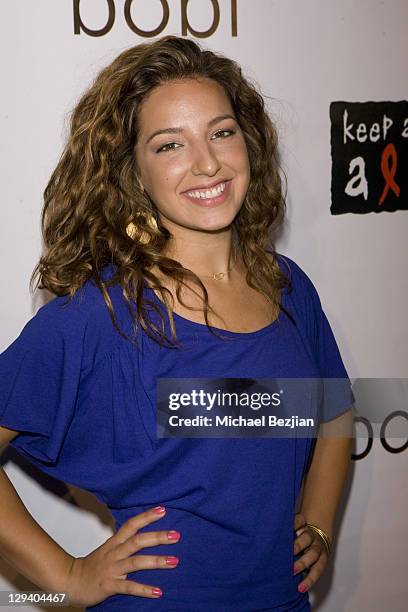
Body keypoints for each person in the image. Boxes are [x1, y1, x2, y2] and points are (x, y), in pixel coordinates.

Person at [0, 35, 354, 611]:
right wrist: (65, 578)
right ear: (132, 171)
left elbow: (335, 409)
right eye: (170, 145)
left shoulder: (288, 286)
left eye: (221, 132)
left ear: (249, 142)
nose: (208, 163)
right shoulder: (100, 314)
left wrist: (317, 525)